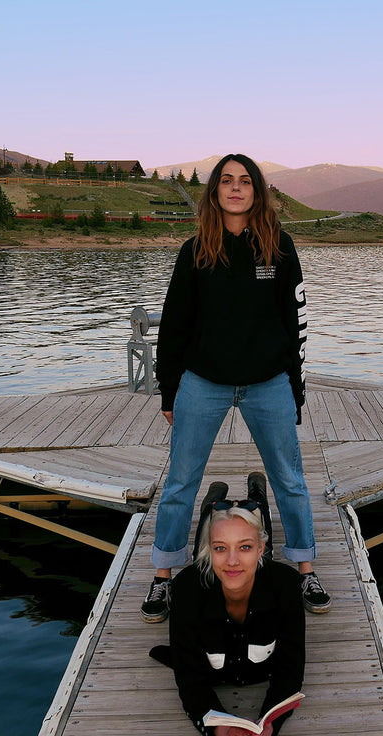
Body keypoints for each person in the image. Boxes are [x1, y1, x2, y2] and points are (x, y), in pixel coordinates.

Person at [141, 153, 331, 623]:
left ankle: (304, 568)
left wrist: (296, 391)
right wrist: (169, 392)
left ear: (257, 191)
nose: (235, 188)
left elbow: (297, 325)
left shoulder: (279, 248)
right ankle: (164, 577)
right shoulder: (195, 250)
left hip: (269, 384)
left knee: (290, 479)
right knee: (181, 481)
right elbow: (175, 329)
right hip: (203, 383)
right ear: (215, 192)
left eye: (245, 181)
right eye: (226, 181)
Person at [151, 486, 305, 736]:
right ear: (210, 550)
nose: (232, 561)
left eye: (245, 547)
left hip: (262, 672)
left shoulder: (286, 585)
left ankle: (253, 495)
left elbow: (290, 667)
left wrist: (269, 725)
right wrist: (221, 728)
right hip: (209, 671)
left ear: (261, 549)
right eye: (221, 548)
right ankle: (212, 503)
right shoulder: (186, 588)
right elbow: (190, 678)